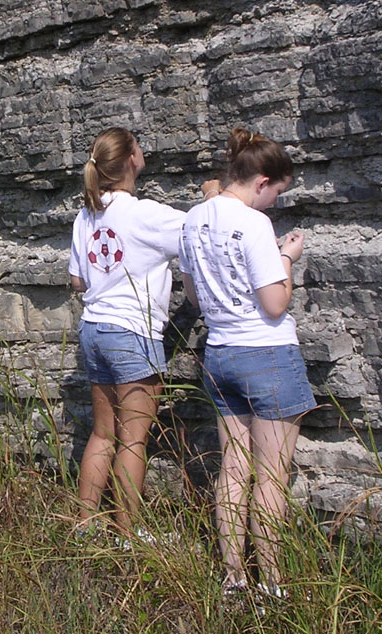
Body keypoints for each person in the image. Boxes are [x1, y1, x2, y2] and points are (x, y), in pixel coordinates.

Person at [178, 126, 316, 595]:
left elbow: (194, 296)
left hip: (220, 354)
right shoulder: (255, 224)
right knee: (272, 478)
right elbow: (275, 304)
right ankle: (274, 583)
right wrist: (286, 258)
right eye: (277, 192)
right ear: (261, 181)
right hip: (268, 354)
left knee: (233, 469)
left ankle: (235, 578)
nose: (275, 203)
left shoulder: (193, 220)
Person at [69, 126, 217, 539]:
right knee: (133, 441)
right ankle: (127, 536)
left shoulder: (87, 213)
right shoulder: (145, 214)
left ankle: (84, 524)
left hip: (94, 328)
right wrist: (211, 197)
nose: (143, 150)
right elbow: (200, 230)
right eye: (139, 145)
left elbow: (78, 281)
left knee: (102, 433)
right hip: (132, 332)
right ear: (132, 158)